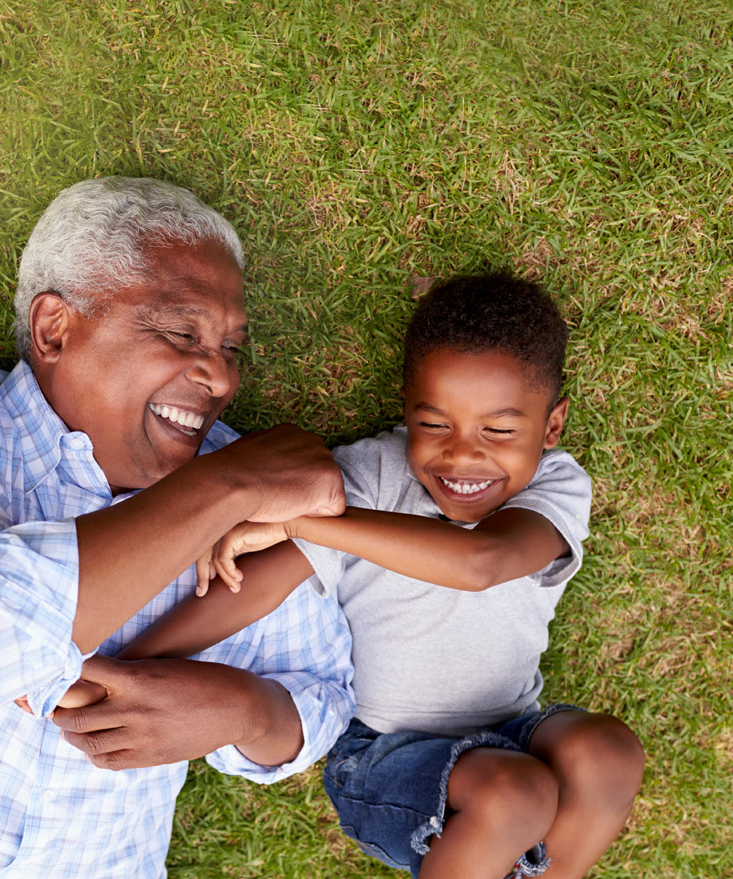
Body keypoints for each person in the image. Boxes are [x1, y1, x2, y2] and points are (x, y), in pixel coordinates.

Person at [0, 177, 356, 878]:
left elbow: (321, 694)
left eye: (231, 347)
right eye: (181, 332)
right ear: (55, 329)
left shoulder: (246, 490)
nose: (222, 379)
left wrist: (240, 710)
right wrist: (226, 486)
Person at [68, 273, 645, 879]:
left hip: (516, 724)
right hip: (385, 755)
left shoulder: (555, 485)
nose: (462, 456)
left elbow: (484, 563)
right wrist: (126, 666)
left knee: (606, 753)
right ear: (407, 408)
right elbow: (260, 586)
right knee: (515, 792)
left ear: (551, 428)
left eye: (499, 431)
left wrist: (306, 522)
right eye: (434, 424)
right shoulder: (369, 475)